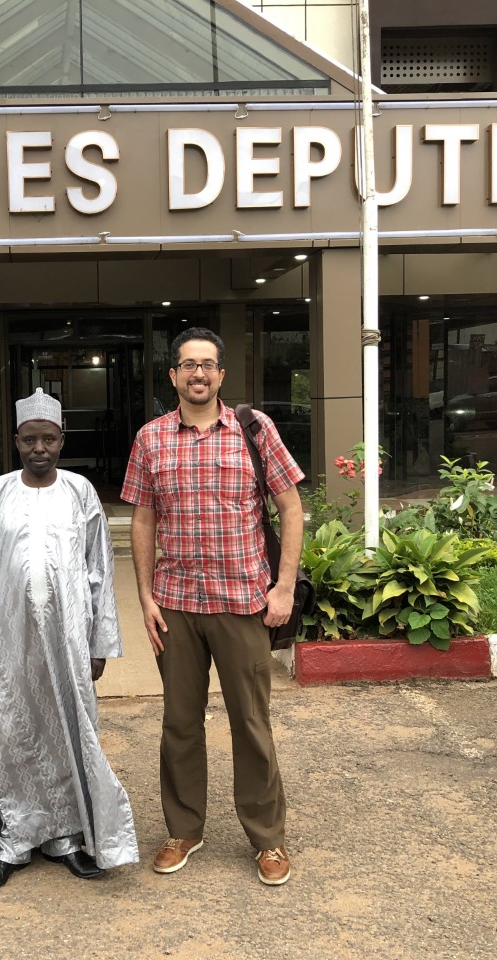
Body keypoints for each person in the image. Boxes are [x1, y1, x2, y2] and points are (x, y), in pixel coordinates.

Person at [120, 327, 305, 887]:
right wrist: (146, 596)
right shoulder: (151, 438)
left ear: (221, 375)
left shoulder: (254, 430)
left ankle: (267, 838)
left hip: (243, 602)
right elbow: (144, 519)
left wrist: (285, 587)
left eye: (207, 364)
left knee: (251, 723)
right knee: (179, 723)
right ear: (173, 376)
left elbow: (291, 507)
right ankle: (183, 829)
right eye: (187, 365)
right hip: (175, 605)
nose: (197, 373)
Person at [0, 388, 139, 890]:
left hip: (68, 640)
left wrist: (98, 641)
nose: (39, 449)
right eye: (30, 440)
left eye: (48, 439)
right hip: (6, 641)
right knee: (10, 731)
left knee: (69, 728)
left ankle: (67, 839)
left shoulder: (81, 493)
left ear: (62, 440)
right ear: (16, 441)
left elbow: (99, 571)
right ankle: (12, 844)